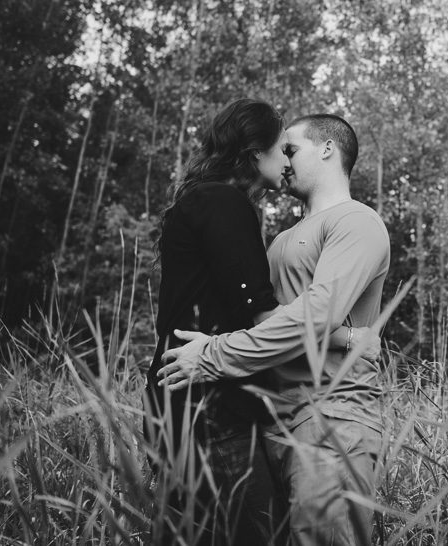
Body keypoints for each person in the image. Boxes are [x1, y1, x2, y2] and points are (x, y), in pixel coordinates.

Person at [145, 100, 379, 545]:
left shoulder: (356, 221)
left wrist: (215, 353)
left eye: (292, 150)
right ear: (254, 152)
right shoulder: (273, 235)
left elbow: (308, 315)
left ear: (327, 150)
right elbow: (269, 319)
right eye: (281, 150)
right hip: (253, 410)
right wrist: (350, 338)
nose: (285, 162)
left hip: (326, 413)